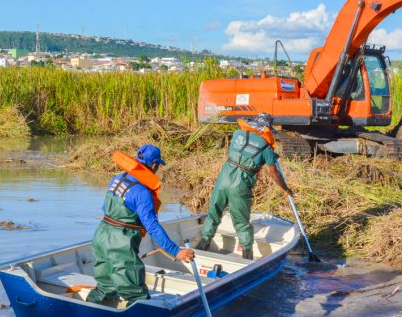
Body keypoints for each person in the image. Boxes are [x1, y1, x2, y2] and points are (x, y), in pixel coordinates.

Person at [87, 144, 195, 306]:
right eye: (158, 166)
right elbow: (152, 226)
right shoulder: (142, 193)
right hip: (120, 244)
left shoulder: (117, 179)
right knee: (137, 296)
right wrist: (175, 251)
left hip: (101, 236)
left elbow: (105, 208)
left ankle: (90, 314)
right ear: (154, 165)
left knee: (105, 287)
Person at [198, 113, 293, 260]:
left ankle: (202, 245)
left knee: (213, 213)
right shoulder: (267, 149)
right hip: (240, 184)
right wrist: (286, 189)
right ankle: (247, 256)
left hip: (224, 177)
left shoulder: (237, 134)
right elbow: (274, 173)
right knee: (241, 222)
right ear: (265, 129)